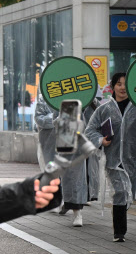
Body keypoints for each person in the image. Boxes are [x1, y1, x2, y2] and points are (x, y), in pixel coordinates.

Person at [85, 73, 136, 242]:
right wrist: (100, 140)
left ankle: (121, 211)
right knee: (120, 191)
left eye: (126, 84)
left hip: (134, 158)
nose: (123, 87)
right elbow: (90, 130)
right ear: (113, 87)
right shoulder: (104, 109)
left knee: (129, 195)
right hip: (114, 160)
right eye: (119, 84)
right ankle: (119, 232)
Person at [35, 97, 100, 227]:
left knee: (77, 178)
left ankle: (76, 210)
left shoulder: (89, 99)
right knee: (62, 176)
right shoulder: (49, 99)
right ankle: (64, 202)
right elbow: (44, 120)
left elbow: (97, 119)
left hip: (83, 144)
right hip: (57, 143)